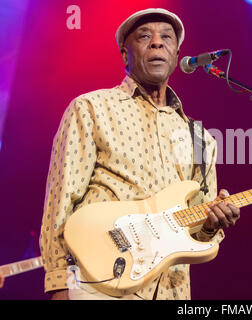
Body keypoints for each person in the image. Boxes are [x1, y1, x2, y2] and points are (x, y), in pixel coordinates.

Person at [39, 8, 240, 300]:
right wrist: (59, 285)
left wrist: (211, 224)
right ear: (125, 55)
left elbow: (197, 228)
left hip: (170, 290)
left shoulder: (201, 139)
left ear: (176, 53)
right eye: (145, 36)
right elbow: (60, 201)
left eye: (166, 37)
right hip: (98, 283)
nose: (157, 43)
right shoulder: (91, 109)